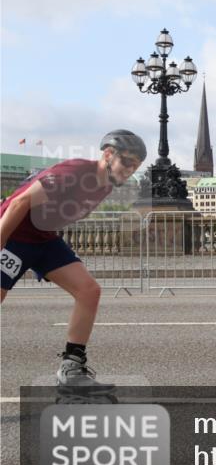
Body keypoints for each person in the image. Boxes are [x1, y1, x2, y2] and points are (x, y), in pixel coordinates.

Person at [0, 130, 146, 390]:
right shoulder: (76, 172)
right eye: (126, 162)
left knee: (89, 291)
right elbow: (19, 202)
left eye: (135, 166)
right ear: (108, 154)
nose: (129, 170)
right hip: (14, 236)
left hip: (43, 238)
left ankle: (72, 368)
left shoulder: (105, 185)